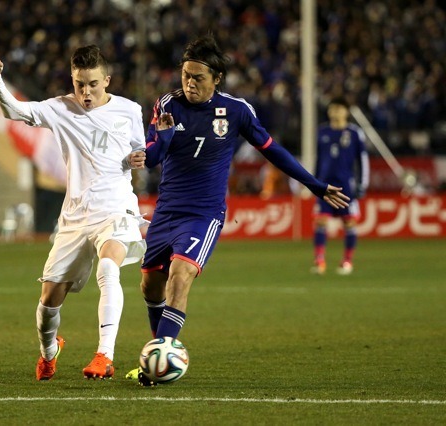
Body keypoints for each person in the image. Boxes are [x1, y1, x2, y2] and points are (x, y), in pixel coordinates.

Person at [126, 35, 349, 383]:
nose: (189, 83)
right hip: (166, 212)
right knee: (149, 287)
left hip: (204, 214)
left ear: (216, 79)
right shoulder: (167, 104)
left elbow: (273, 150)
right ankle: (159, 352)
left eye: (198, 77)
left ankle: (160, 358)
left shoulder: (236, 110)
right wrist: (162, 140)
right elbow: (152, 157)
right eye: (185, 75)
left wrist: (314, 185)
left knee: (179, 276)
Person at [0, 43, 147, 380]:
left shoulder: (130, 110)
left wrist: (136, 160)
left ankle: (104, 355)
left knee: (109, 269)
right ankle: (50, 351)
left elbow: (137, 151)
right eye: (79, 84)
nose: (86, 92)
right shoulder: (59, 108)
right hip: (75, 215)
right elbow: (15, 112)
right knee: (48, 302)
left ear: (107, 80)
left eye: (93, 84)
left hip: (115, 207)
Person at [311, 97, 369, 275]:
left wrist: (362, 184)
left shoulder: (354, 133)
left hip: (346, 186)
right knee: (320, 221)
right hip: (325, 186)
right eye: (332, 108)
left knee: (349, 223)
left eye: (339, 108)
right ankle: (319, 260)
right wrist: (313, 182)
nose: (335, 111)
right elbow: (318, 160)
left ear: (346, 111)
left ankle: (347, 261)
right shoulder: (322, 132)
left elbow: (363, 160)